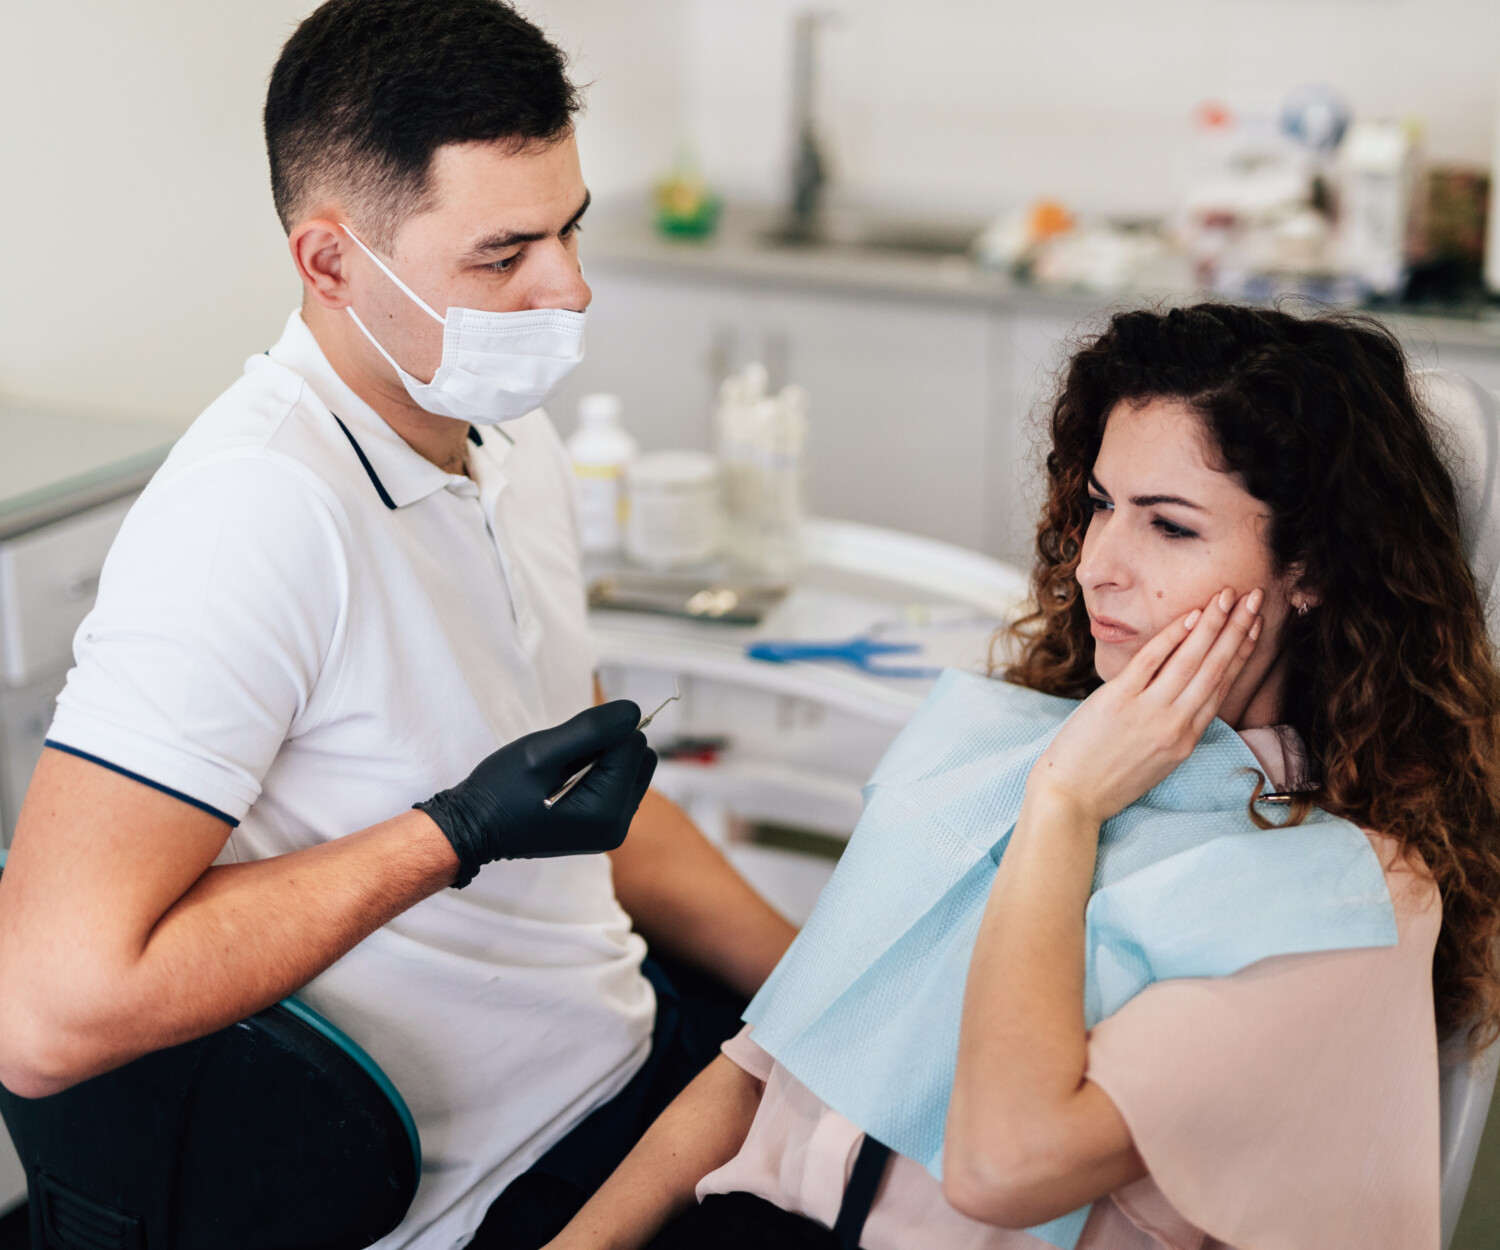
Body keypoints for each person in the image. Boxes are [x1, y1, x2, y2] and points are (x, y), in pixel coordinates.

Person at [0, 3, 795, 1248]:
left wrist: (814, 980)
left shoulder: (509, 444)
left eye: (572, 227)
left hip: (621, 1057)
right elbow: (43, 1014)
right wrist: (451, 833)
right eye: (504, 254)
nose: (570, 287)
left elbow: (599, 808)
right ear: (329, 264)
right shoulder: (253, 515)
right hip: (472, 1188)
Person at [542, 303, 1500, 1250]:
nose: (1097, 567)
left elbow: (1003, 1168)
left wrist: (1065, 807)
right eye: (1098, 506)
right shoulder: (991, 745)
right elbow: (768, 1059)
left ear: (1313, 565)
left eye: (1168, 526)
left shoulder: (1341, 897)